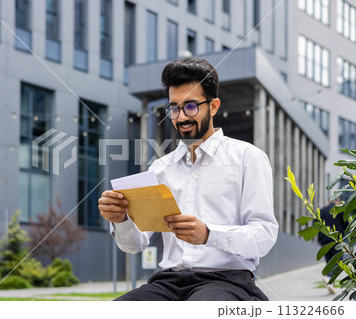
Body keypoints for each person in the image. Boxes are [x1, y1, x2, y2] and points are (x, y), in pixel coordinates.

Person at [98, 57, 279, 301]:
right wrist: (121, 220)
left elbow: (265, 235)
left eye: (191, 106)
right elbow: (135, 244)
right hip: (167, 282)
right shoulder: (162, 167)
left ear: (213, 106)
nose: (181, 117)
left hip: (227, 280)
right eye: (174, 108)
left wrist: (208, 234)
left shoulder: (248, 158)